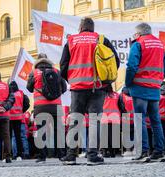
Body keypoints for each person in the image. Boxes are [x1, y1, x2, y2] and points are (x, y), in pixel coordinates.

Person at [60, 17, 120, 166]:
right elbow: (115, 62)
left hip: (77, 88)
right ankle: (92, 155)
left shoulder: (71, 40)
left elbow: (63, 65)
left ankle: (71, 155)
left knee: (75, 120)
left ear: (80, 28)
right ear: (92, 28)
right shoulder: (101, 40)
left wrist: (72, 79)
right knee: (94, 121)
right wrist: (105, 82)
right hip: (97, 87)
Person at [125, 22, 165, 163]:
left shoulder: (138, 44)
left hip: (139, 87)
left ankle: (143, 151)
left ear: (138, 34)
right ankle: (159, 151)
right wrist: (156, 80)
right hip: (154, 89)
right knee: (156, 121)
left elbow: (131, 66)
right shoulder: (161, 45)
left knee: (140, 120)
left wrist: (128, 82)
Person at [27, 53, 67, 163]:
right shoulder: (56, 72)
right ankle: (61, 155)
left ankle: (41, 156)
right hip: (56, 106)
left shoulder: (34, 73)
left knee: (41, 131)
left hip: (40, 107)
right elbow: (64, 88)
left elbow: (29, 88)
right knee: (58, 131)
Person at [0, 72, 15, 163]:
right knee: (6, 136)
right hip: (5, 114)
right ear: (0, 78)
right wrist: (5, 108)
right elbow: (12, 99)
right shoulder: (6, 86)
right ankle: (8, 157)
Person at [100, 85, 125, 158]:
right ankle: (113, 152)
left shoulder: (100, 95)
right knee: (114, 136)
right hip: (115, 118)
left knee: (105, 135)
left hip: (104, 118)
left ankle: (105, 152)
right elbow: (122, 106)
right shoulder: (117, 95)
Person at [9, 81, 30, 161]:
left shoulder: (9, 94)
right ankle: (25, 153)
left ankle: (14, 154)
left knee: (13, 137)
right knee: (22, 137)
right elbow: (27, 104)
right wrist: (22, 111)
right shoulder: (21, 93)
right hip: (20, 118)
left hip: (10, 117)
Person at [120, 87, 135, 156]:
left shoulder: (122, 95)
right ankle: (134, 149)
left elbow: (121, 107)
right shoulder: (134, 94)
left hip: (125, 117)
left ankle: (128, 150)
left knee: (126, 134)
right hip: (134, 117)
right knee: (134, 133)